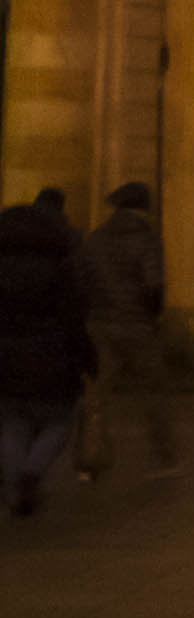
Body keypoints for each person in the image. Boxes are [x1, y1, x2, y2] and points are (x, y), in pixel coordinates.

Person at [0, 198, 91, 516]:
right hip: (52, 359)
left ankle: (14, 483)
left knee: (12, 422)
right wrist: (87, 359)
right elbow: (73, 320)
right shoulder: (61, 271)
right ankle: (31, 474)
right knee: (57, 422)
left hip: (7, 361)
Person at [78, 182, 172, 479]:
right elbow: (153, 285)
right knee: (153, 392)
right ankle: (163, 459)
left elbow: (83, 282)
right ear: (142, 208)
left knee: (97, 397)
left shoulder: (95, 239)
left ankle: (88, 460)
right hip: (137, 325)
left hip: (101, 325)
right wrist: (152, 316)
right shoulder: (147, 239)